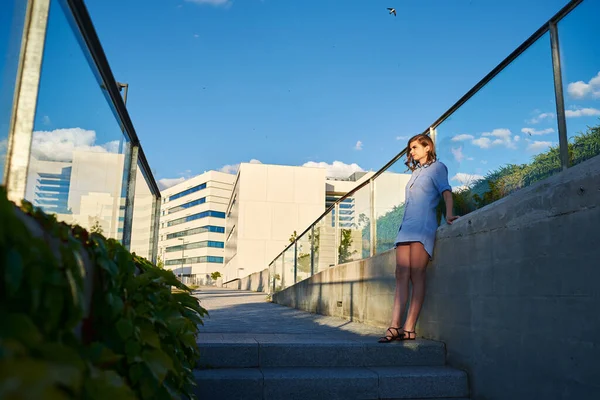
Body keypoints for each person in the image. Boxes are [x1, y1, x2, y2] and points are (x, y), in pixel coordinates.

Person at [378, 133, 458, 343]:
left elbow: (446, 192)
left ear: (427, 147)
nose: (411, 152)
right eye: (410, 149)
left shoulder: (438, 168)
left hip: (423, 226)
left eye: (414, 147)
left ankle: (409, 327)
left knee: (417, 274)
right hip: (407, 227)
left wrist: (449, 214)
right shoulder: (415, 173)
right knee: (401, 274)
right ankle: (394, 326)